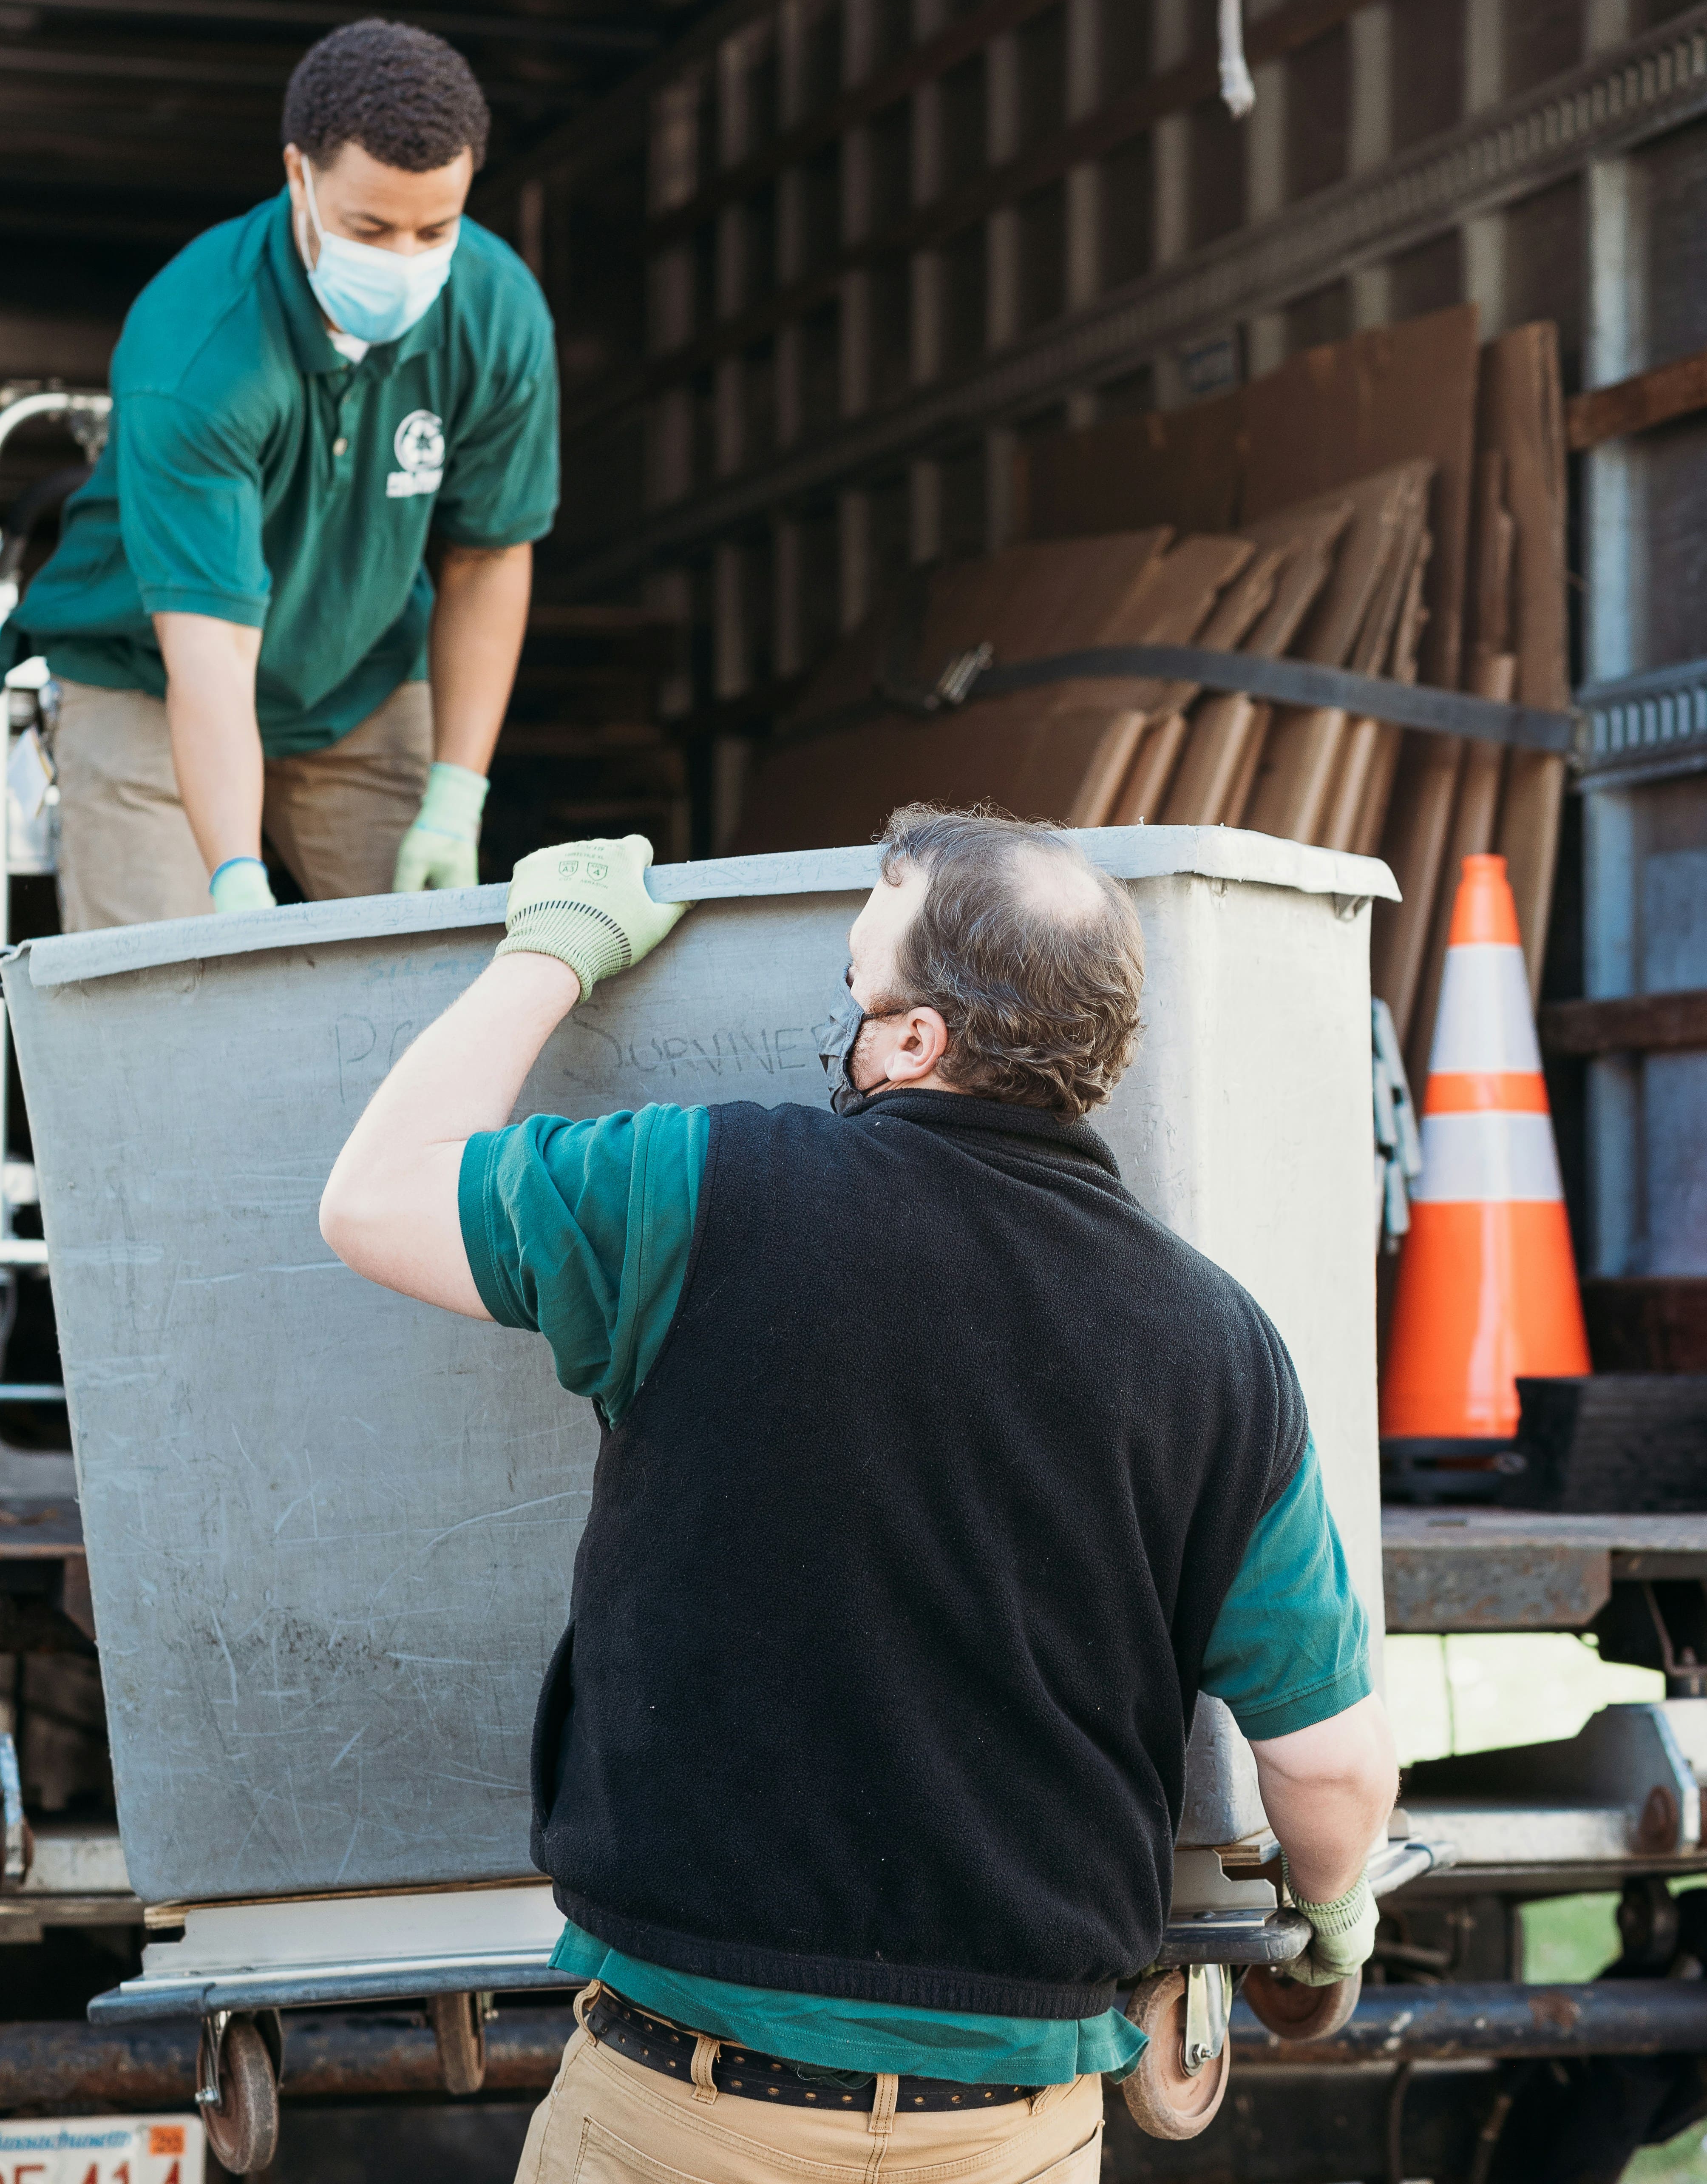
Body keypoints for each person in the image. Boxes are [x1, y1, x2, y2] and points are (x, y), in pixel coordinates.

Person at [320, 806, 1398, 2184]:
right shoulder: (1217, 1345)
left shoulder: (694, 1188)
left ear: (911, 1041)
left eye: (853, 981)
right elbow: (1327, 1762)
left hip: (682, 2114)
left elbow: (372, 1200)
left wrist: (553, 951)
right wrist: (1332, 1923)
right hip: (1009, 2135)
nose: (841, 1012)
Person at [7, 18, 559, 931]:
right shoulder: (198, 349)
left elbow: (487, 556)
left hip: (361, 682)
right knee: (169, 994)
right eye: (370, 226)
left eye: (436, 228)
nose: (405, 260)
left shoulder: (496, 312)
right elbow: (213, 654)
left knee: (425, 987)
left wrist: (456, 795)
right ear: (298, 173)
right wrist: (234, 874)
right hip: (150, 677)